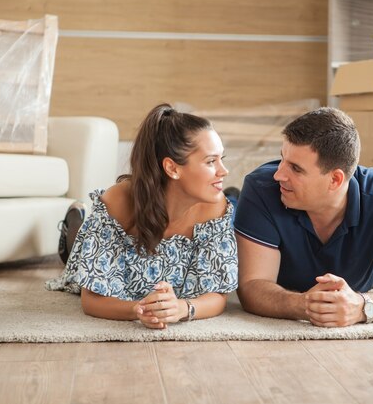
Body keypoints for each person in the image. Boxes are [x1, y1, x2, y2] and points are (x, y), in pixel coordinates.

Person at [234, 107, 373, 327]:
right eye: (282, 159)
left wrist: (362, 306)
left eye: (295, 168)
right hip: (250, 216)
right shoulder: (262, 188)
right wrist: (303, 304)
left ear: (335, 179)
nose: (279, 174)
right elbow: (251, 286)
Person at [46, 103, 238, 329]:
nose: (224, 171)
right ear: (172, 168)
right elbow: (91, 300)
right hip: (96, 241)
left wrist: (182, 309)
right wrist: (139, 311)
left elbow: (218, 295)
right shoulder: (118, 202)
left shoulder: (216, 208)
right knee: (75, 260)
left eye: (221, 158)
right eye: (211, 161)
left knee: (234, 197)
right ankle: (75, 224)